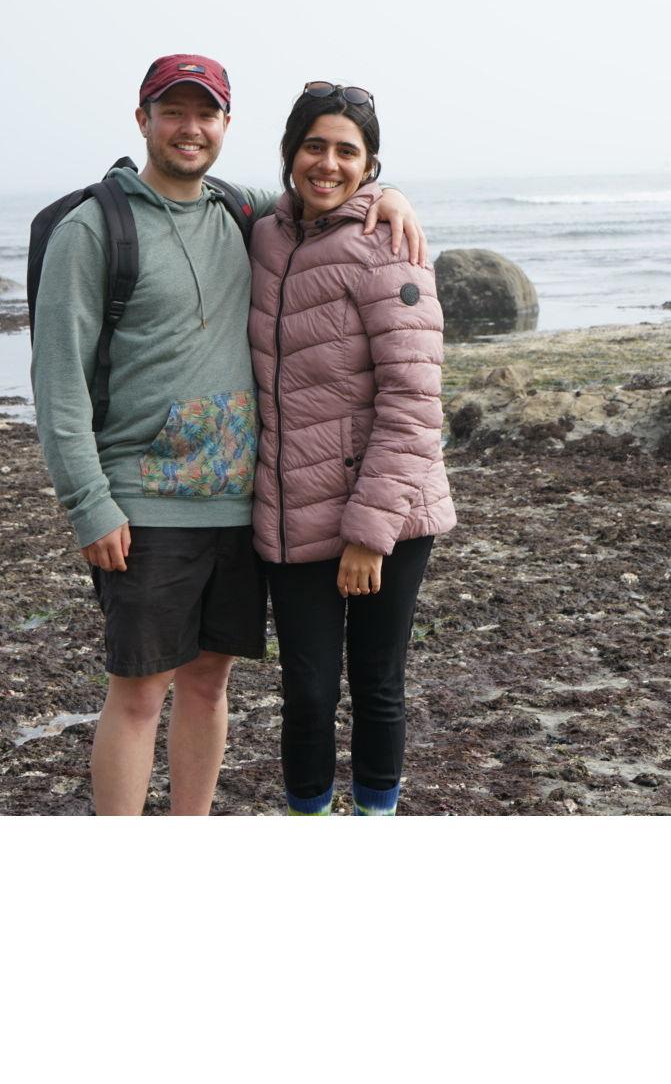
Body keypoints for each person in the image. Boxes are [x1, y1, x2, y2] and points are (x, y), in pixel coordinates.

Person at [30, 55, 426, 816]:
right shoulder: (93, 229)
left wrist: (392, 192)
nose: (189, 128)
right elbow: (57, 384)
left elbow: (329, 190)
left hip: (238, 508)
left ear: (226, 127)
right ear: (142, 119)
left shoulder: (241, 212)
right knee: (138, 693)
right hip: (142, 507)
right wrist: (89, 502)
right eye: (172, 112)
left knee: (209, 684)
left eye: (204, 113)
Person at [249, 83, 456, 816]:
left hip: (389, 515)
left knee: (375, 683)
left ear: (369, 165)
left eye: (348, 151)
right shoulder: (264, 232)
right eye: (315, 145)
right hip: (291, 509)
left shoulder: (387, 247)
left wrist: (368, 535)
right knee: (304, 692)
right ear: (289, 152)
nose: (328, 163)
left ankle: (375, 819)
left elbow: (413, 402)